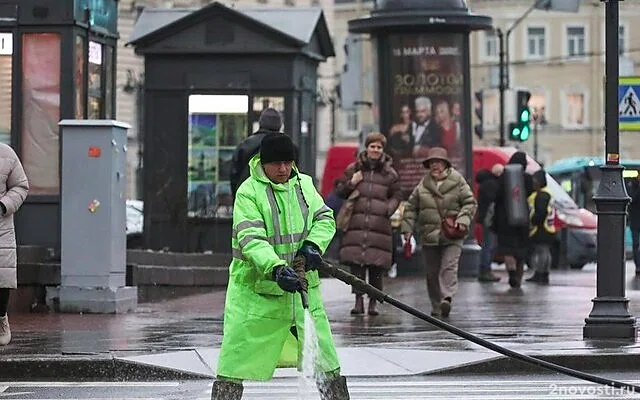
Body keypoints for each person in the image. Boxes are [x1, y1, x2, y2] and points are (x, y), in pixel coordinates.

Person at [212, 133, 349, 400]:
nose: (283, 169)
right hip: (256, 293)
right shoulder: (248, 192)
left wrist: (313, 245)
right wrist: (275, 268)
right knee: (234, 359)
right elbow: (251, 239)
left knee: (326, 358)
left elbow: (324, 218)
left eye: (288, 162)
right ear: (263, 163)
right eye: (276, 163)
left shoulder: (304, 185)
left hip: (300, 291)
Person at [401, 147, 477, 318]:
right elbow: (411, 208)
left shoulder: (458, 181)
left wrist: (463, 220)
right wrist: (407, 230)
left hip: (453, 234)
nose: (435, 165)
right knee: (431, 272)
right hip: (429, 235)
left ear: (445, 163)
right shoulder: (423, 185)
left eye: (438, 162)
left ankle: (447, 298)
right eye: (432, 163)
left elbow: (470, 203)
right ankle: (436, 305)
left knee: (449, 266)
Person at [335, 132, 402, 316]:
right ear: (367, 148)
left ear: (383, 150)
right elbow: (340, 191)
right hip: (356, 223)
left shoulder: (390, 173)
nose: (375, 150)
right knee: (357, 265)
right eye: (372, 146)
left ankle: (373, 302)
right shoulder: (354, 168)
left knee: (376, 266)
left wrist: (388, 209)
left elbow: (397, 194)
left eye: (379, 147)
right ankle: (358, 301)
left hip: (379, 225)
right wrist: (352, 182)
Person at [0, 144, 29, 346]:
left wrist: (3, 205)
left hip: (1, 227)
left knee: (2, 278)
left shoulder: (6, 153)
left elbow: (21, 186)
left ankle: (1, 319)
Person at [492, 151, 534, 289]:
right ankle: (519, 278)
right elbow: (530, 191)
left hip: (504, 219)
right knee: (521, 251)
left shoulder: (503, 176)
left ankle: (511, 273)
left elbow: (496, 195)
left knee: (507, 250)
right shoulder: (527, 178)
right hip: (522, 219)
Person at [229, 108, 284, 198]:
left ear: (260, 123)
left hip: (247, 198)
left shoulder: (245, 145)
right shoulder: (285, 147)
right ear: (279, 126)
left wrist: (237, 198)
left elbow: (234, 175)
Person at [526, 170, 557, 284]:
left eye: (535, 181)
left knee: (541, 251)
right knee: (546, 252)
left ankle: (540, 274)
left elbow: (540, 212)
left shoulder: (541, 195)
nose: (533, 183)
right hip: (549, 227)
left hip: (541, 228)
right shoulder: (548, 193)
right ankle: (544, 273)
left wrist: (533, 221)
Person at [475, 164, 504, 283]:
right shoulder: (492, 184)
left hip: (485, 218)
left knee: (488, 244)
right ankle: (485, 270)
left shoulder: (485, 183)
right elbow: (494, 202)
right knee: (489, 245)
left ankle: (485, 270)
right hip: (490, 219)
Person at [627, 174, 640, 275]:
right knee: (636, 244)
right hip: (635, 221)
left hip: (634, 221)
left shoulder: (632, 186)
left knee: (636, 244)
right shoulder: (633, 187)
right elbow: (632, 199)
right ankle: (638, 265)